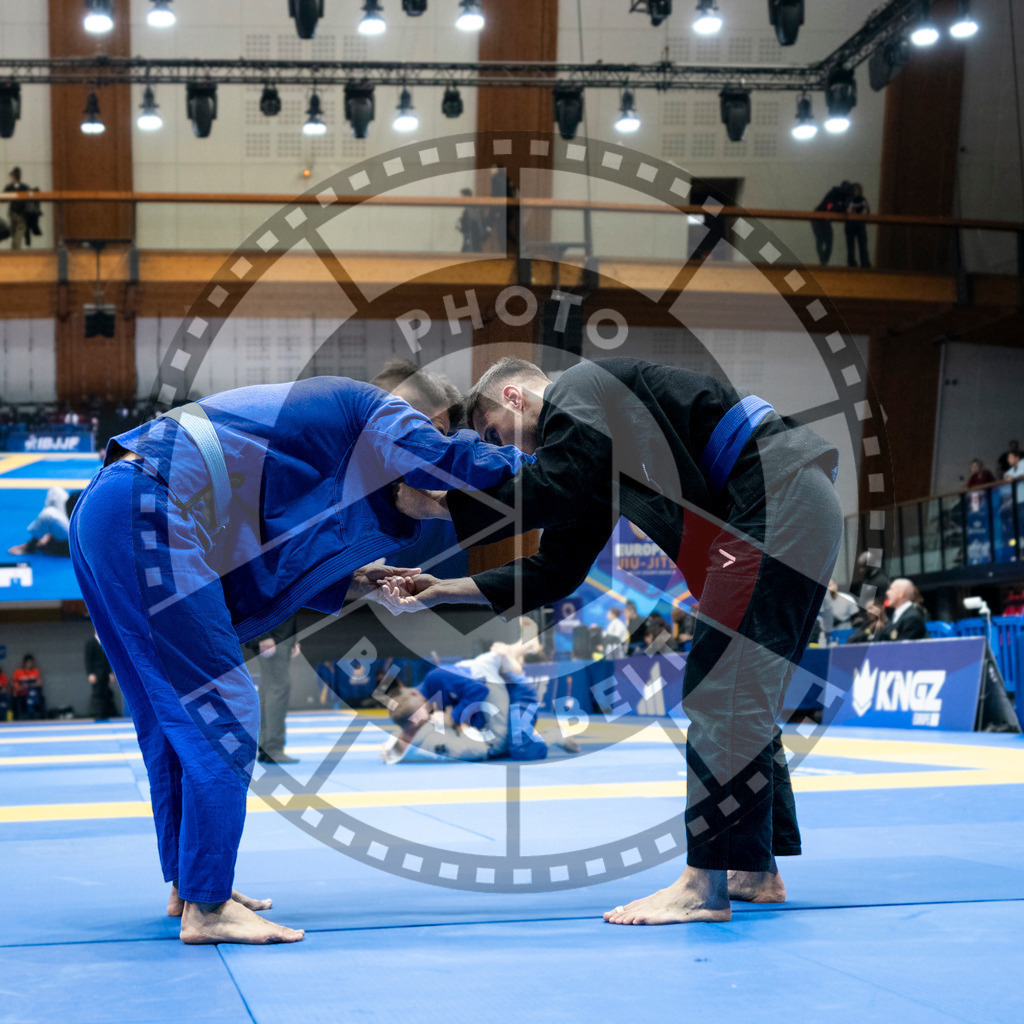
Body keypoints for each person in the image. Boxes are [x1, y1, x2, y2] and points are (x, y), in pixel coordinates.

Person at [68, 375, 533, 945]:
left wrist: (356, 578)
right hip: (149, 507)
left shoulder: (308, 445)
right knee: (225, 706)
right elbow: (439, 456)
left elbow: (280, 557)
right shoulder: (386, 409)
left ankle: (190, 885)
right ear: (429, 415)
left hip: (110, 508)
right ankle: (208, 909)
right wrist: (539, 470)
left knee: (171, 722)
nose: (430, 480)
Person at [383, 355, 842, 926]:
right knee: (741, 692)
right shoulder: (598, 456)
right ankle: (752, 870)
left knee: (720, 691)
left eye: (499, 433)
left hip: (777, 495)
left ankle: (704, 884)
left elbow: (551, 482)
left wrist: (441, 505)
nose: (514, 452)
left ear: (514, 396)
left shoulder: (579, 388)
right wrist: (443, 589)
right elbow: (556, 569)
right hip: (792, 503)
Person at [382, 632, 578, 763]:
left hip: (517, 691)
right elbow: (410, 726)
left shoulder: (436, 679)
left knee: (520, 748)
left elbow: (479, 690)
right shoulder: (418, 704)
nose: (428, 716)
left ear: (416, 695)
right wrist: (394, 748)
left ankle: (554, 735)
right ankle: (520, 647)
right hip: (496, 689)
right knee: (505, 742)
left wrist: (454, 716)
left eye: (425, 713)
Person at [246, 614, 300, 765]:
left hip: (278, 634)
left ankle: (266, 747)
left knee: (268, 689)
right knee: (278, 688)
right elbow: (259, 596)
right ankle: (273, 749)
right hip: (274, 635)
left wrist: (293, 638)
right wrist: (265, 635)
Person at [7, 486, 73, 556]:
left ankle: (31, 545)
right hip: (73, 520)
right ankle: (47, 533)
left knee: (48, 515)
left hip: (76, 535)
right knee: (55, 491)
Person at [811, 180, 851, 266]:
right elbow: (829, 207)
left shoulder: (841, 197)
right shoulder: (833, 194)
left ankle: (824, 262)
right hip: (819, 219)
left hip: (824, 220)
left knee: (828, 243)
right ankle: (823, 262)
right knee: (821, 241)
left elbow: (834, 208)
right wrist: (839, 208)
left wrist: (843, 208)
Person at [85, 632, 119, 720]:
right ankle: (98, 715)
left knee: (106, 693)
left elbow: (109, 660)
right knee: (97, 694)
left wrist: (111, 672)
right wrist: (90, 673)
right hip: (96, 673)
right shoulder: (90, 643)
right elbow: (88, 660)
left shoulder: (106, 643)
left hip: (105, 673)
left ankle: (105, 714)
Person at [844, 183, 871, 269]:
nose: (856, 192)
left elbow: (867, 210)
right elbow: (848, 211)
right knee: (851, 246)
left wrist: (863, 216)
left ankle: (864, 263)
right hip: (851, 225)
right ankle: (852, 263)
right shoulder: (849, 200)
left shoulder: (862, 200)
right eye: (855, 190)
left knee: (862, 245)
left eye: (858, 190)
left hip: (860, 225)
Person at [456, 188, 489, 253]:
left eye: (462, 197)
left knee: (472, 251)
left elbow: (475, 222)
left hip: (472, 236)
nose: (460, 199)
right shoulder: (469, 208)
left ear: (467, 197)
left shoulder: (472, 209)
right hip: (471, 236)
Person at [12, 654, 44, 720]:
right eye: (28, 662)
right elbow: (13, 683)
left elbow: (39, 683)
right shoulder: (18, 672)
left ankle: (31, 710)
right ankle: (33, 706)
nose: (29, 664)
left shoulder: (35, 671)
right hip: (22, 693)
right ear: (24, 663)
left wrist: (29, 686)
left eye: (31, 662)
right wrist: (20, 687)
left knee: (31, 692)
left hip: (32, 692)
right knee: (31, 693)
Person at [4, 167, 28, 250]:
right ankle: (16, 251)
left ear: (13, 177)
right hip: (21, 213)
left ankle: (14, 251)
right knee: (18, 234)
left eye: (11, 177)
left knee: (15, 234)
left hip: (13, 212)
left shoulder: (9, 187)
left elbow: (4, 197)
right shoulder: (24, 187)